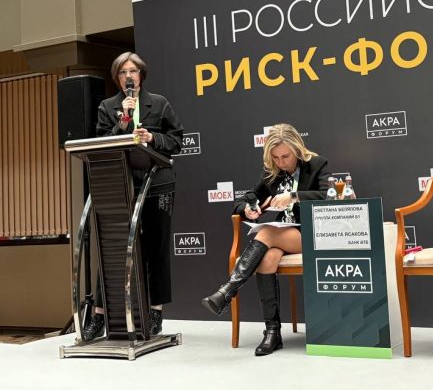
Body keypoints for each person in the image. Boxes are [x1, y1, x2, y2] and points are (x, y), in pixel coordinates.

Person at [201, 123, 328, 356]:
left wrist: (294, 196)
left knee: (267, 232)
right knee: (267, 259)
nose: (281, 162)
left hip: (312, 233)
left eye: (285, 156)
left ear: (297, 149)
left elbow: (328, 195)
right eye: (276, 157)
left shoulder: (316, 164)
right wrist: (248, 208)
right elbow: (245, 199)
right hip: (284, 235)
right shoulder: (273, 172)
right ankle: (272, 332)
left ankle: (228, 290)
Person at [83, 51, 183, 340]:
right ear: (117, 78)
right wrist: (123, 123)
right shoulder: (108, 107)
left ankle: (155, 313)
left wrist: (153, 138)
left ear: (141, 75)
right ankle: (99, 315)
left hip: (157, 183)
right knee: (113, 247)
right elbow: (102, 142)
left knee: (156, 249)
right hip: (121, 183)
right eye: (123, 72)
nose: (129, 76)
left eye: (133, 71)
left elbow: (177, 140)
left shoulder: (159, 103)